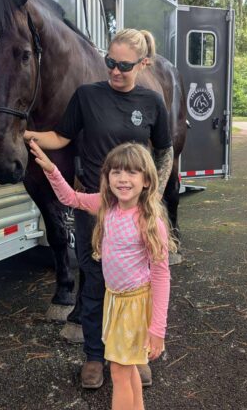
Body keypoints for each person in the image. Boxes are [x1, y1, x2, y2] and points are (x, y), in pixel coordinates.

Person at [24, 29, 174, 388]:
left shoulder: (152, 102)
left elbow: (163, 152)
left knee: (138, 287)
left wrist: (153, 199)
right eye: (110, 62)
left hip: (136, 211)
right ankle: (94, 356)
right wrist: (25, 135)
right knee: (94, 283)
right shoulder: (87, 96)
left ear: (143, 63)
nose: (115, 71)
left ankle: (134, 354)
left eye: (124, 65)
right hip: (94, 207)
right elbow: (60, 138)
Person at [30, 140, 174, 410]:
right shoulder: (106, 206)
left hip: (135, 305)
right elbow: (70, 197)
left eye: (131, 172)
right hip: (115, 301)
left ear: (146, 180)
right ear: (107, 177)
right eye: (116, 171)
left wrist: (157, 329)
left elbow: (161, 276)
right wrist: (51, 169)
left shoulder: (148, 220)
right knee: (128, 369)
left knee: (119, 372)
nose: (122, 178)